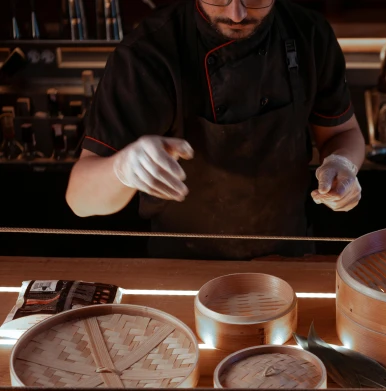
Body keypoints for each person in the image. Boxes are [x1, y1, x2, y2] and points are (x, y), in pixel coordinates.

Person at [66, 0, 365, 259]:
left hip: (288, 257)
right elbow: (80, 200)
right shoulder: (147, 53)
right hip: (182, 266)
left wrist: (343, 163)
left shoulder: (309, 34)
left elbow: (342, 133)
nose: (237, 13)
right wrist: (122, 168)